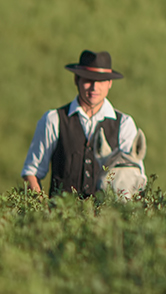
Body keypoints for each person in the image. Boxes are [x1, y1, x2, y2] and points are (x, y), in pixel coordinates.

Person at [21, 50, 145, 197]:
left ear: (109, 83)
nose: (94, 88)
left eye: (101, 81)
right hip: (60, 217)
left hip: (107, 217)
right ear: (76, 79)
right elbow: (31, 173)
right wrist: (43, 212)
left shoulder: (124, 124)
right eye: (88, 80)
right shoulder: (53, 120)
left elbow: (135, 176)